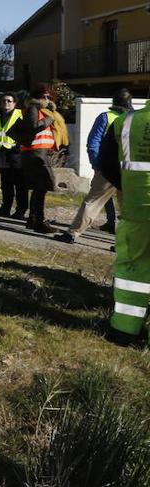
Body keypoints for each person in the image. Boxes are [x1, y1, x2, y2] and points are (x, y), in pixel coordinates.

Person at [96, 100, 150, 347]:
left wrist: (128, 184)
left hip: (136, 210)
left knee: (132, 271)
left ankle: (124, 331)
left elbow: (105, 163)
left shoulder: (125, 122)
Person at [59, 89, 132, 244]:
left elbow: (93, 143)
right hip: (127, 169)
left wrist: (96, 164)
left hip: (107, 168)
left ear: (114, 103)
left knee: (92, 202)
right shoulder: (134, 120)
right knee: (128, 209)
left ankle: (72, 233)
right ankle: (124, 244)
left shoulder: (105, 117)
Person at [11, 86, 57, 233]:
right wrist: (49, 120)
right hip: (36, 154)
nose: (48, 100)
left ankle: (33, 219)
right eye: (45, 97)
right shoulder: (33, 108)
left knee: (39, 188)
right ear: (38, 97)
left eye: (49, 97)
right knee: (41, 187)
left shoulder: (37, 109)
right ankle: (39, 221)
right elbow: (33, 127)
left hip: (36, 153)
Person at [0, 92, 27, 221]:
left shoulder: (20, 115)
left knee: (20, 184)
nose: (6, 103)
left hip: (16, 155)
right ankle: (5, 208)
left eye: (9, 101)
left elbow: (26, 134)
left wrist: (19, 147)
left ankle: (20, 210)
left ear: (14, 103)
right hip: (1, 154)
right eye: (4, 101)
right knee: (6, 183)